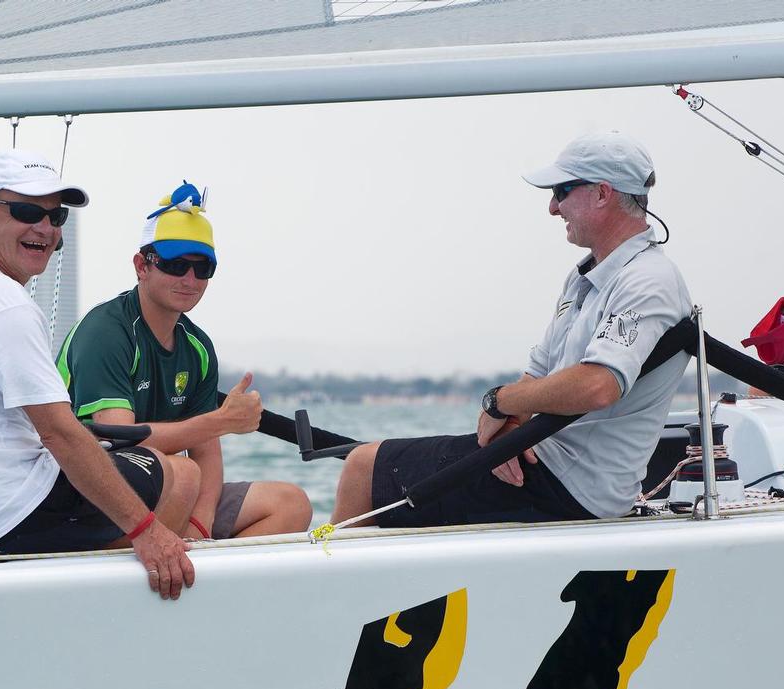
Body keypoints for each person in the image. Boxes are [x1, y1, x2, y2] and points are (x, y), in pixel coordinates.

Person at [331, 131, 693, 529]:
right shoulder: (586, 276)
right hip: (545, 462)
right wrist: (510, 430)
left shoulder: (647, 280)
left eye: (562, 190)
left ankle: (330, 590)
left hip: (575, 487)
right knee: (377, 464)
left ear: (603, 193)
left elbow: (598, 385)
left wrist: (499, 401)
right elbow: (538, 374)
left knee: (363, 468)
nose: (554, 208)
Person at [0, 149, 196, 600]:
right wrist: (146, 530)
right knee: (175, 472)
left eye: (56, 216)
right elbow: (59, 433)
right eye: (25, 212)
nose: (46, 229)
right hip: (0, 519)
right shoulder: (3, 304)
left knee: (116, 468)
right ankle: (140, 590)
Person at [56, 182, 312, 540]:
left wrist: (200, 527)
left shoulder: (198, 348)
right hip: (87, 493)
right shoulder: (106, 331)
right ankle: (157, 573)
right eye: (176, 265)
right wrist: (221, 421)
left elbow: (206, 453)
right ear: (141, 266)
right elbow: (123, 442)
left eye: (202, 268)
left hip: (170, 489)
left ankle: (197, 574)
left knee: (291, 503)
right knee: (179, 472)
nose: (189, 279)